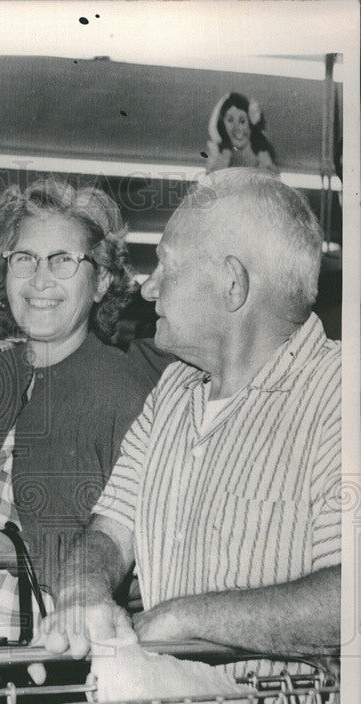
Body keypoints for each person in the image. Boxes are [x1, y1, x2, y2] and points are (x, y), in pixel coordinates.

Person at [39, 168, 340, 668]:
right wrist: (82, 593)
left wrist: (181, 621)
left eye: (166, 266)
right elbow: (110, 531)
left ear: (232, 283)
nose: (149, 289)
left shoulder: (340, 396)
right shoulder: (173, 393)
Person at [0, 178, 166, 649]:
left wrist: (2, 551)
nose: (40, 280)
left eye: (64, 260)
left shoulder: (126, 391)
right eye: (24, 259)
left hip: (61, 657)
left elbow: (144, 559)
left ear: (102, 279)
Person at [205, 92, 278, 174]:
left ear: (251, 123)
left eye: (242, 121)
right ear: (222, 124)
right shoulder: (219, 157)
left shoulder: (264, 157)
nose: (237, 127)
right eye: (230, 120)